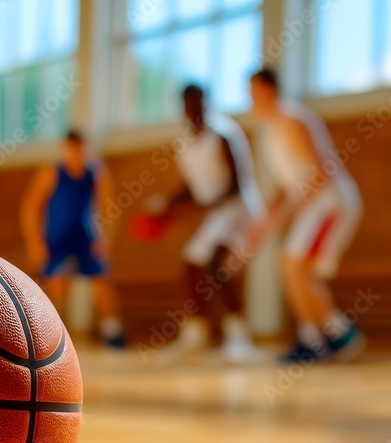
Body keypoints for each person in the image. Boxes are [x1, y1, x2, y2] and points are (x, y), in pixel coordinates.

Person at [248, 68, 365, 363]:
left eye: (254, 93)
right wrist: (265, 223)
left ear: (268, 90)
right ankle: (335, 337)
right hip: (316, 205)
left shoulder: (292, 121)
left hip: (330, 203)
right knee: (299, 271)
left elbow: (320, 174)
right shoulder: (272, 129)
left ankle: (320, 340)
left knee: (295, 268)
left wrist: (289, 213)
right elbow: (286, 186)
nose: (250, 100)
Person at [151, 84, 263, 364]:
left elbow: (237, 185)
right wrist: (167, 204)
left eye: (196, 103)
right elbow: (192, 186)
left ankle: (239, 338)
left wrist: (197, 208)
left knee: (215, 264)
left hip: (239, 209)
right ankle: (196, 335)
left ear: (205, 103)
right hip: (215, 215)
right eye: (187, 105)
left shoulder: (224, 134)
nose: (192, 110)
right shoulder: (186, 143)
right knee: (191, 264)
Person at [20, 129, 125, 348]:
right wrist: (34, 243)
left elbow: (109, 208)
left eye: (80, 149)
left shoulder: (96, 172)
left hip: (85, 237)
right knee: (56, 286)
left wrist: (105, 239)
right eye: (72, 149)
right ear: (66, 149)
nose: (77, 153)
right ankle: (51, 338)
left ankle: (113, 333)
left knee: (101, 283)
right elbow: (30, 209)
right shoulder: (50, 172)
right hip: (57, 239)